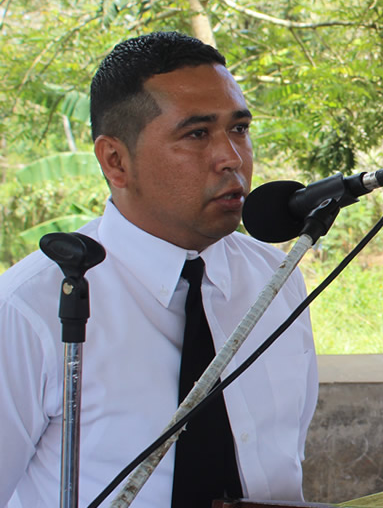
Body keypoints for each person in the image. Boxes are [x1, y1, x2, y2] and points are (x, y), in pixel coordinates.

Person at [0, 32, 318, 507]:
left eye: (240, 129)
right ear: (115, 161)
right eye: (196, 134)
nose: (232, 158)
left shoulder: (277, 277)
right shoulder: (31, 308)